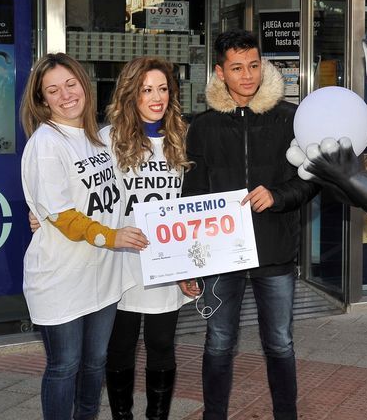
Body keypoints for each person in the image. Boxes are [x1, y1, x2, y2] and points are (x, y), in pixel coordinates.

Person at [181, 30, 319, 420]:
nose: (247, 75)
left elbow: (311, 180)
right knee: (219, 341)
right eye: (237, 67)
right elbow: (191, 195)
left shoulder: (291, 118)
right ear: (220, 72)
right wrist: (189, 262)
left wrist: (277, 196)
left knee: (279, 343)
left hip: (274, 252)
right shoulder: (203, 127)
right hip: (221, 257)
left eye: (254, 65)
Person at [20, 53, 149, 420]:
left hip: (103, 276)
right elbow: (64, 216)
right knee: (64, 365)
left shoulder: (100, 137)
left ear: (84, 85)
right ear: (42, 100)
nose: (65, 95)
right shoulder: (46, 143)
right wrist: (112, 237)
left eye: (70, 84)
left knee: (95, 364)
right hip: (61, 278)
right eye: (53, 90)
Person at [103, 57, 194, 420]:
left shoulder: (182, 137)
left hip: (166, 262)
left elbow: (194, 205)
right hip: (122, 259)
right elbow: (82, 190)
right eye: (146, 90)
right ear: (130, 94)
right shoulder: (107, 140)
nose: (156, 98)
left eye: (162, 89)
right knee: (120, 346)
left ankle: (157, 417)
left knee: (161, 344)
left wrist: (192, 265)